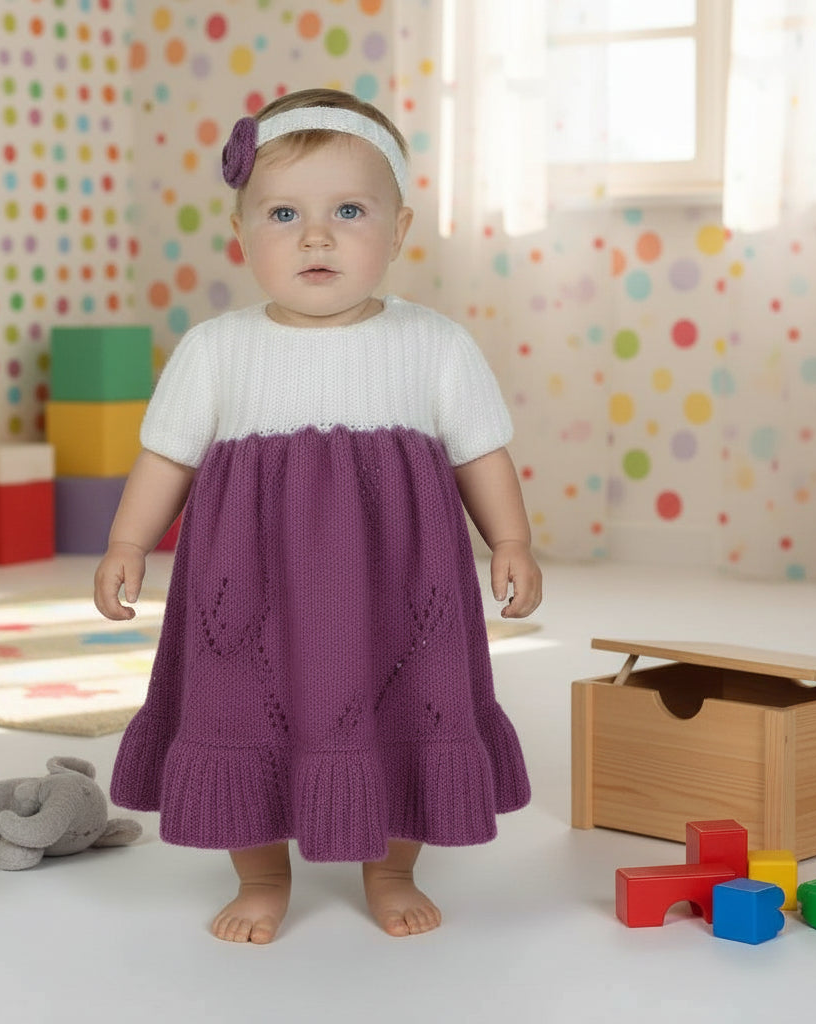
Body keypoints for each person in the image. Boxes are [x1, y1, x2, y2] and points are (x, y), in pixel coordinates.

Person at [94, 88, 542, 945]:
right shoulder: (216, 350)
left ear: (400, 229)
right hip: (248, 589)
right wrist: (128, 542)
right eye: (284, 213)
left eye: (349, 210)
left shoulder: (434, 344)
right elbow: (168, 456)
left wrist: (511, 541)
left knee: (414, 703)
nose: (316, 235)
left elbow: (481, 452)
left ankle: (395, 864)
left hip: (398, 587)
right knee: (238, 709)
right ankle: (261, 873)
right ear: (241, 237)